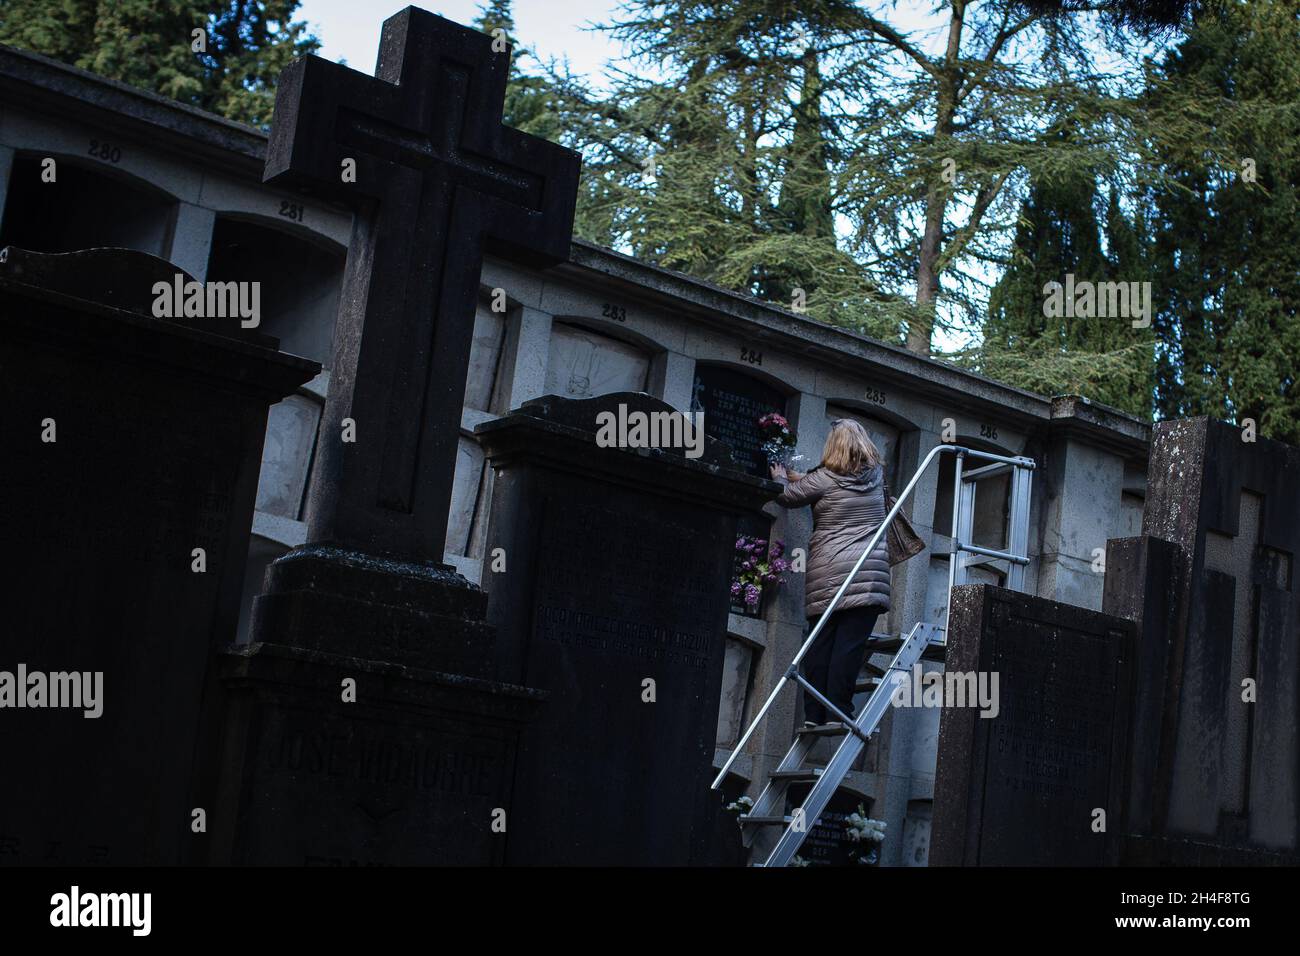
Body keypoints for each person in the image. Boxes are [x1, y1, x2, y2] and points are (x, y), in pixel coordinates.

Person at [771, 419, 891, 726]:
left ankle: (814, 714)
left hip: (829, 573)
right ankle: (839, 710)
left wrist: (781, 479)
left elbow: (788, 496)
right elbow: (826, 480)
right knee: (849, 647)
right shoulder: (877, 476)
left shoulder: (824, 478)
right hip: (869, 574)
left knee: (821, 643)